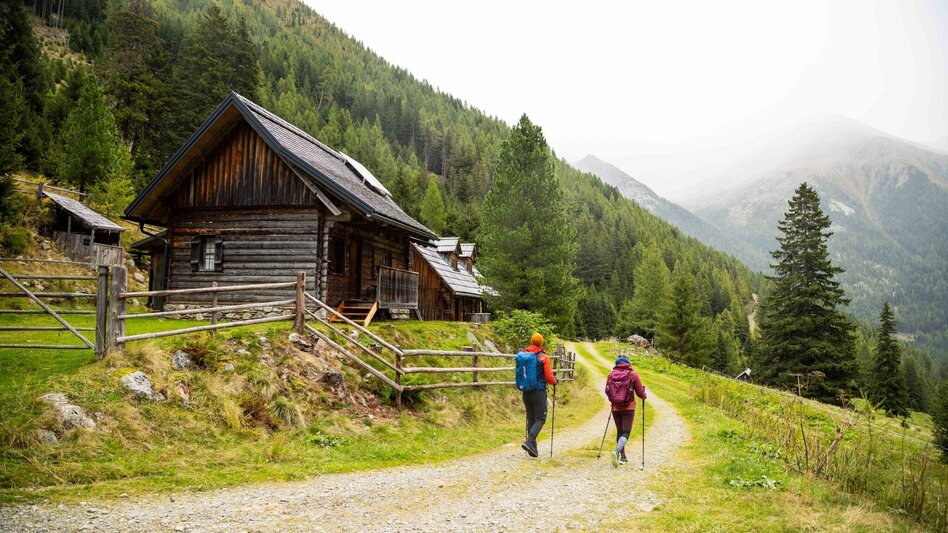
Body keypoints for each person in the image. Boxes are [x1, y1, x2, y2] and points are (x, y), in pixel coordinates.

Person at [521, 332, 558, 457]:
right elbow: (549, 377)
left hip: (526, 392)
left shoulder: (524, 355)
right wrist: (555, 381)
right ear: (541, 343)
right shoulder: (543, 357)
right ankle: (530, 441)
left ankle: (533, 449)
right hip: (538, 392)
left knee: (531, 418)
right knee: (541, 418)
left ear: (531, 341)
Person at [606, 356, 647, 467]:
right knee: (626, 432)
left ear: (617, 364)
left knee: (619, 431)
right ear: (628, 363)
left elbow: (607, 391)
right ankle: (616, 451)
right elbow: (640, 393)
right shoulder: (632, 374)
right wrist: (644, 395)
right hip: (629, 407)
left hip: (615, 407)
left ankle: (622, 457)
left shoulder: (611, 375)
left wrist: (613, 400)